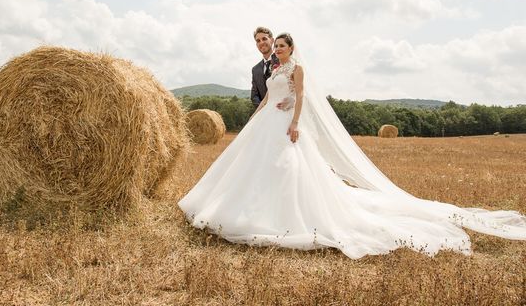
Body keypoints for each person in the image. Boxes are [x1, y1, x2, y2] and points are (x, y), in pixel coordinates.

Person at [178, 33, 526, 259]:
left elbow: (301, 99)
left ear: (290, 47)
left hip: (285, 124)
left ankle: (281, 214)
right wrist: (255, 118)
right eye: (276, 47)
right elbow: (268, 97)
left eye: (282, 46)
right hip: (266, 121)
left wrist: (295, 121)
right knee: (250, 165)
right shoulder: (274, 69)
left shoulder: (296, 69)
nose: (278, 50)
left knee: (286, 167)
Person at [250, 27, 278, 109]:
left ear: (272, 40)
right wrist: (264, 111)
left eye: (264, 39)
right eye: (258, 41)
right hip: (263, 114)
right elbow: (254, 96)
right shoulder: (255, 69)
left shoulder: (282, 60)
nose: (261, 42)